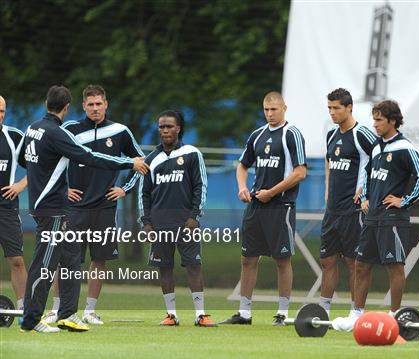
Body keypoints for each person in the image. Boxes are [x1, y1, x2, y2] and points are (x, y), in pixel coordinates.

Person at [18, 85, 148, 333]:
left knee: (70, 260)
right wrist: (129, 163)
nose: (96, 108)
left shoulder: (33, 128)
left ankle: (67, 314)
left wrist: (42, 178)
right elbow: (89, 157)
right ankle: (30, 320)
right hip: (52, 208)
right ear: (68, 108)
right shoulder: (58, 133)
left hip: (59, 207)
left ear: (47, 103)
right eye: (91, 104)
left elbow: (23, 160)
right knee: (43, 265)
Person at [337, 100, 419, 331]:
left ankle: (395, 315)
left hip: (393, 219)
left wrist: (404, 200)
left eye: (379, 120)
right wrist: (366, 197)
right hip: (372, 217)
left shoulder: (405, 148)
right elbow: (370, 177)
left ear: (392, 121)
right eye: (374, 119)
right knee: (361, 265)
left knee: (394, 266)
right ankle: (356, 315)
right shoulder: (377, 147)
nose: (375, 124)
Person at [221, 91, 307, 326]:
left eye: (274, 110)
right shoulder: (257, 135)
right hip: (257, 206)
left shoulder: (292, 134)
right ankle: (245, 313)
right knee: (248, 258)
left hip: (281, 205)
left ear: (284, 108)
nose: (270, 114)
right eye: (266, 110)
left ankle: (282, 313)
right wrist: (242, 187)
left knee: (282, 260)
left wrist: (273, 192)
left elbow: (300, 172)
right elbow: (242, 165)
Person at [140, 110, 215, 327]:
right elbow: (143, 193)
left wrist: (194, 216)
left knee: (194, 266)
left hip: (186, 223)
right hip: (159, 224)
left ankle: (200, 314)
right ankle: (171, 315)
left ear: (179, 128)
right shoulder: (151, 159)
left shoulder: (192, 153)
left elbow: (200, 185)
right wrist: (146, 222)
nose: (165, 130)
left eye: (169, 126)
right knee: (165, 268)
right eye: (161, 127)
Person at [319, 88, 376, 316]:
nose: (332, 113)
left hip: (353, 211)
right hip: (332, 211)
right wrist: (326, 189)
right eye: (329, 108)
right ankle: (323, 310)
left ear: (349, 107)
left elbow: (380, 161)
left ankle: (357, 313)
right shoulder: (332, 135)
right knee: (327, 261)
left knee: (354, 263)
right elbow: (328, 160)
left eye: (336, 108)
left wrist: (368, 191)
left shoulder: (362, 134)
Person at [0, 95, 28, 313]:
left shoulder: (14, 137)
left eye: (2, 111)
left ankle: (23, 310)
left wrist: (20, 185)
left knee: (17, 260)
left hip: (6, 209)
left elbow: (38, 166)